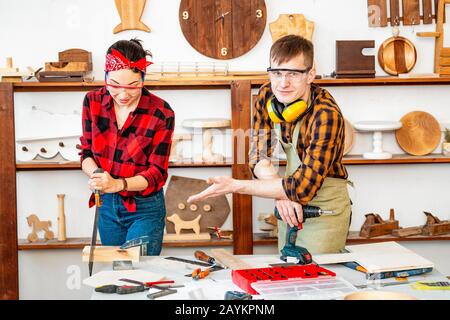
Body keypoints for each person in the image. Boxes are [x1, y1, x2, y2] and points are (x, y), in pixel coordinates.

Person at [188, 35, 351, 254]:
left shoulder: (325, 115)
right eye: (277, 73)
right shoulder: (267, 95)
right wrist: (281, 194)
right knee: (288, 273)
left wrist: (236, 185)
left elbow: (303, 188)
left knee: (319, 279)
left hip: (324, 209)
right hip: (288, 206)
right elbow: (258, 155)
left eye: (293, 73)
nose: (283, 83)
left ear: (310, 75)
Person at [79, 39, 174, 255]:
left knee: (139, 272)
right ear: (105, 77)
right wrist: (98, 176)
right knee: (118, 273)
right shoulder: (92, 102)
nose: (123, 95)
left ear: (143, 78)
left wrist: (118, 184)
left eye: (132, 86)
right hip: (106, 205)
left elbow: (157, 173)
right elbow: (86, 153)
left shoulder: (161, 113)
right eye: (114, 85)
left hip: (145, 207)